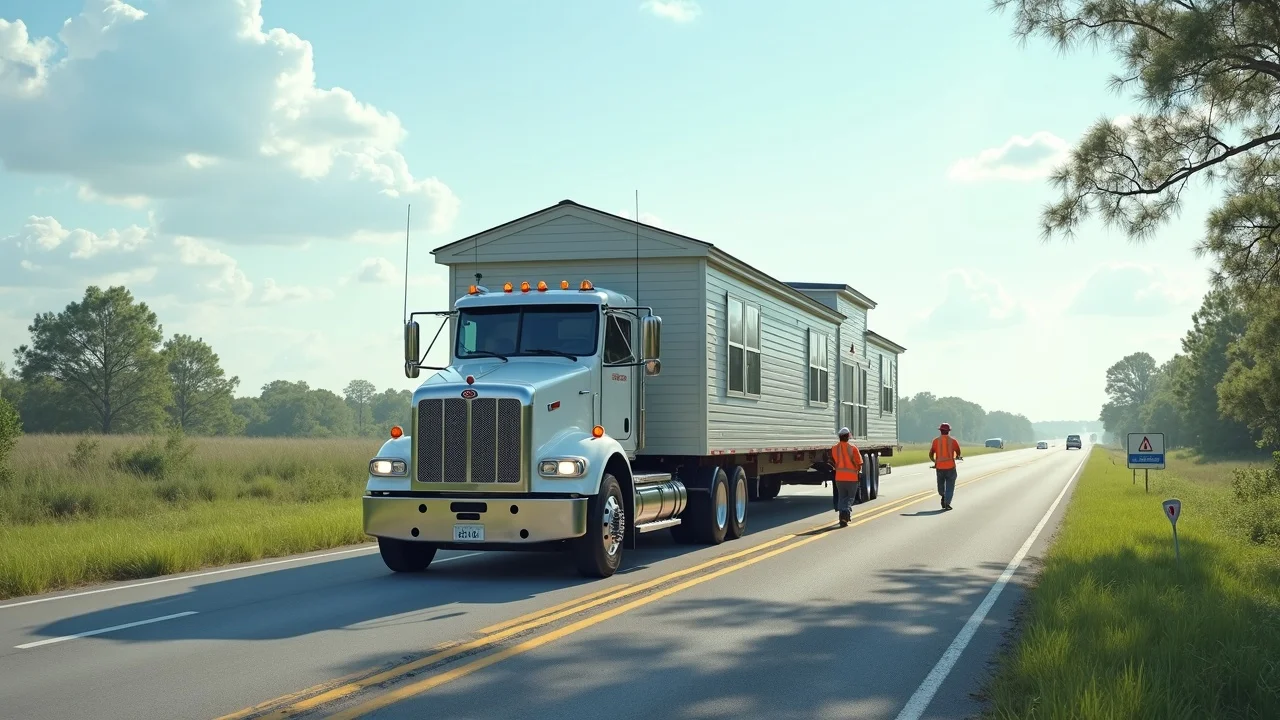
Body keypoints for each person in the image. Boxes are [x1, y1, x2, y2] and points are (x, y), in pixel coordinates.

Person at [830, 427, 863, 527]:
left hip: (839, 478)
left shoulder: (834, 448)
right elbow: (859, 462)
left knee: (842, 497)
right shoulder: (853, 448)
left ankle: (842, 517)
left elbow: (834, 461)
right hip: (851, 478)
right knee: (850, 497)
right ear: (848, 436)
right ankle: (845, 514)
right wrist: (858, 472)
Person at [930, 422, 962, 510]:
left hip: (939, 468)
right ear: (949, 431)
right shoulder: (953, 441)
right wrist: (958, 456)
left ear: (940, 431)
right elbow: (958, 451)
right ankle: (947, 503)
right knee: (950, 487)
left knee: (940, 486)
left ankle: (943, 496)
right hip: (951, 467)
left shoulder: (936, 441)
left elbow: (931, 453)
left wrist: (935, 461)